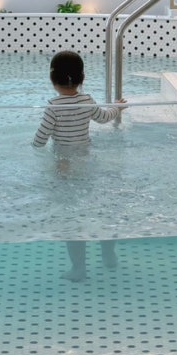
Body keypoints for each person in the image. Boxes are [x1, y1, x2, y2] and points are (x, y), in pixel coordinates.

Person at [32, 49, 127, 281]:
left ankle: (78, 268)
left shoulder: (53, 107)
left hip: (64, 167)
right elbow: (104, 118)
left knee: (71, 217)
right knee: (100, 210)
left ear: (52, 78)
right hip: (86, 161)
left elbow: (40, 140)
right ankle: (109, 255)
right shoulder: (86, 100)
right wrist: (117, 107)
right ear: (82, 77)